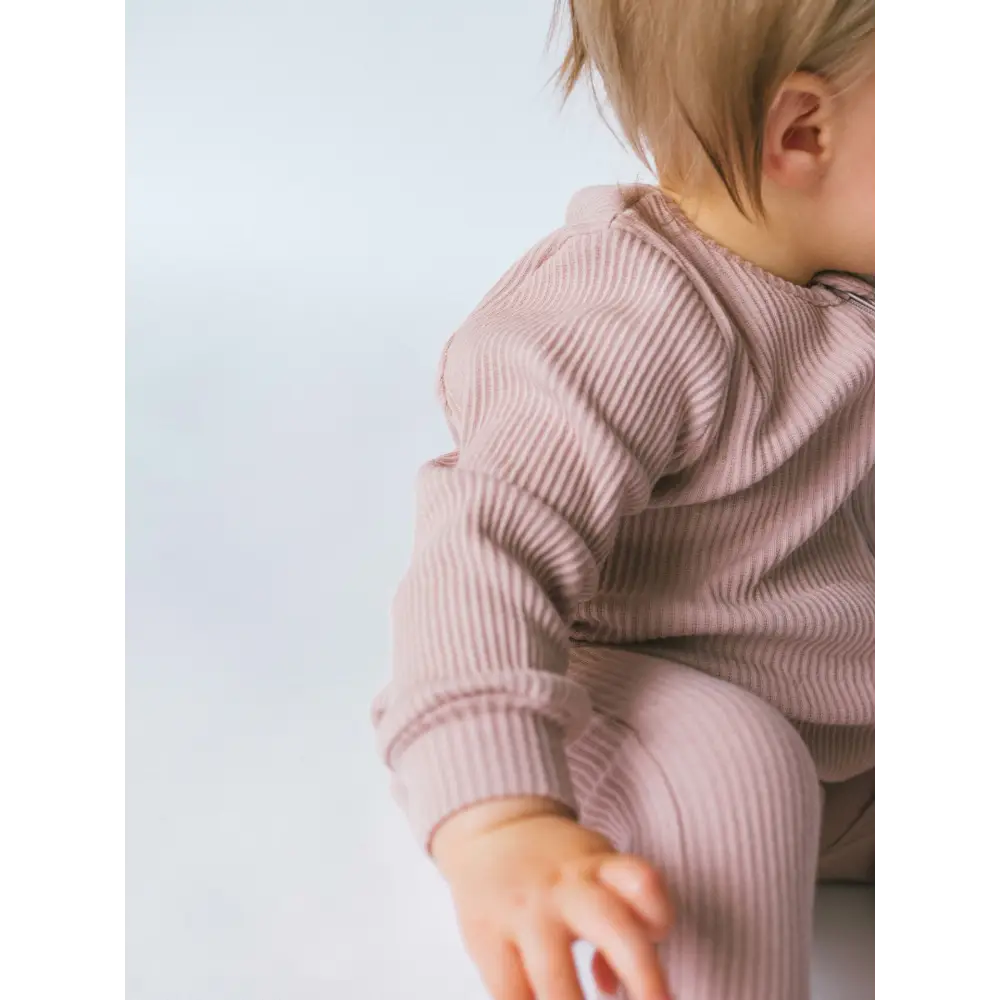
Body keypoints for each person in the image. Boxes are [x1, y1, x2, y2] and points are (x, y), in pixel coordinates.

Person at [372, 2, 877, 997]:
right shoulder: (623, 314)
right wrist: (501, 818)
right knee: (734, 756)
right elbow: (481, 551)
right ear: (801, 135)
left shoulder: (840, 282)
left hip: (839, 724)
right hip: (634, 712)